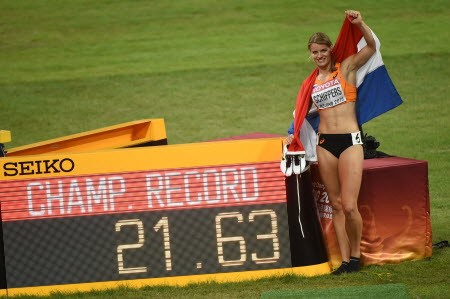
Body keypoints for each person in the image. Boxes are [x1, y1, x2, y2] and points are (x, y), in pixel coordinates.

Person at [286, 10, 376, 274]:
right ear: (310, 54)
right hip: (325, 144)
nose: (319, 56)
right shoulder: (311, 84)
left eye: (323, 50)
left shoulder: (345, 68)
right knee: (336, 204)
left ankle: (357, 256)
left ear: (330, 50)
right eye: (314, 52)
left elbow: (371, 47)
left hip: (350, 141)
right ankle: (345, 261)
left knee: (349, 205)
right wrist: (292, 132)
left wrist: (360, 24)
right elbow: (301, 113)